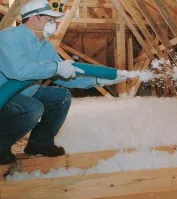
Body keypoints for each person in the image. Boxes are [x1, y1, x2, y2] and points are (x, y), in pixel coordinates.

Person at [0, 0, 125, 165]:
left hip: (26, 91)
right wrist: (55, 68)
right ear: (33, 19)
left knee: (61, 96)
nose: (53, 23)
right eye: (49, 19)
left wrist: (96, 80)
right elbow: (18, 71)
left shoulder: (45, 46)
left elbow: (64, 75)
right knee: (32, 108)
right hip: (4, 94)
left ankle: (40, 143)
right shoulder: (9, 36)